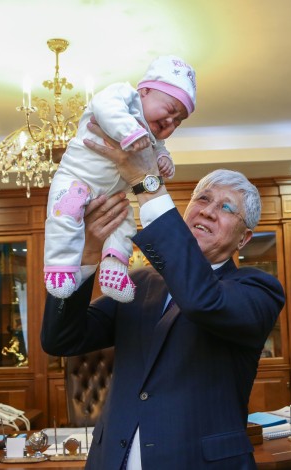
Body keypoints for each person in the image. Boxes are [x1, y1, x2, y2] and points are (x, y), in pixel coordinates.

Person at [41, 124, 285, 469]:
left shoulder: (258, 289)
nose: (208, 210)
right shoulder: (139, 282)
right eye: (203, 199)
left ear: (243, 239)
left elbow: (201, 299)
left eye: (227, 208)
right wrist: (87, 255)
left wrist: (147, 183)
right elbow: (62, 338)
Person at [44, 55, 197, 303]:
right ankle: (60, 266)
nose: (171, 121)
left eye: (178, 121)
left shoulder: (152, 136)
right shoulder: (123, 96)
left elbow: (159, 148)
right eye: (170, 110)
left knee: (124, 224)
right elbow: (105, 107)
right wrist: (130, 132)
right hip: (76, 180)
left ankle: (114, 269)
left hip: (113, 196)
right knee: (65, 215)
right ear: (144, 91)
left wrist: (163, 159)